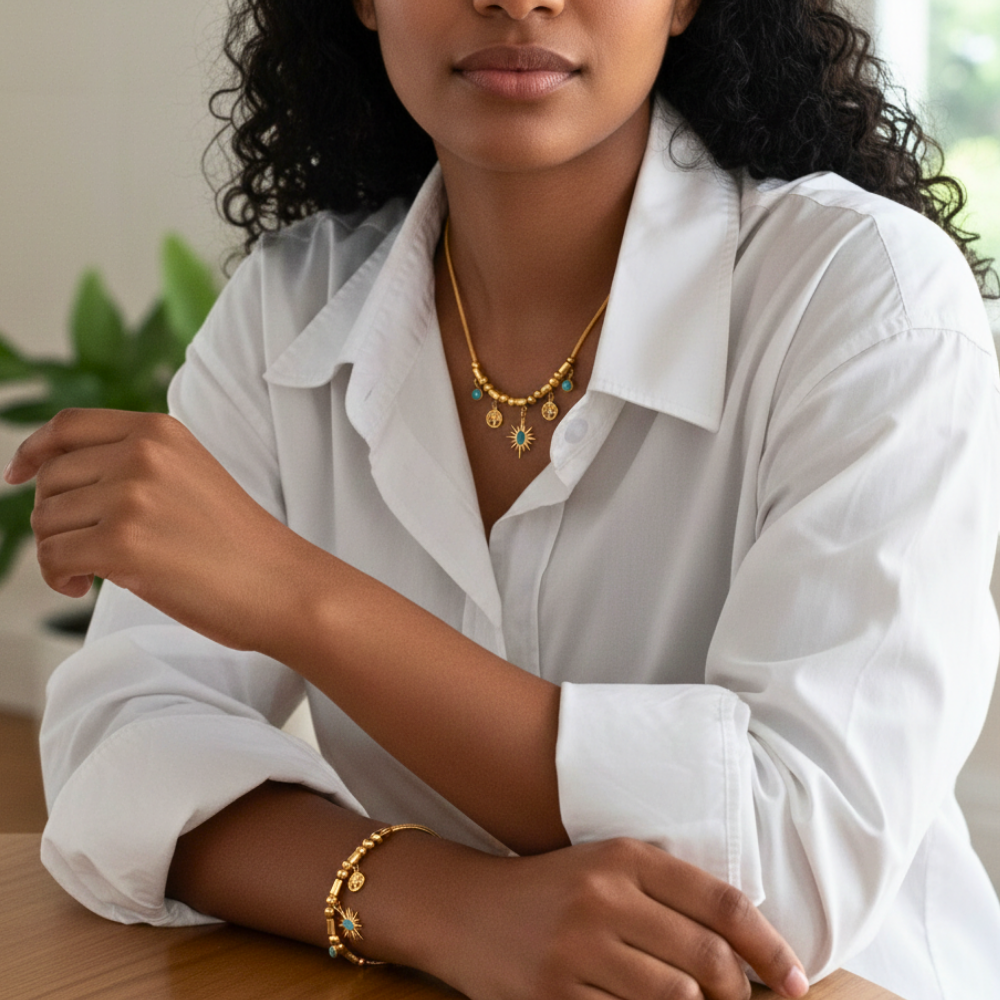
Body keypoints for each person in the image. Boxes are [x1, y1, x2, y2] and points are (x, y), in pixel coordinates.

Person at [6, 0, 1000, 997]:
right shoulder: (288, 306)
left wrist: (298, 596)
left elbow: (777, 879)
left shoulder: (868, 300)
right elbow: (118, 750)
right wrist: (449, 907)